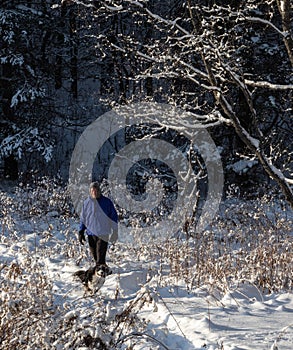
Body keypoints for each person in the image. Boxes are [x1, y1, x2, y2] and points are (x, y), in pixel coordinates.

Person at [78, 182, 118, 266]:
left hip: (103, 233)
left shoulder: (107, 202)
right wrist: (81, 231)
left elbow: (113, 217)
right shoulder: (86, 203)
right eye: (92, 191)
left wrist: (115, 231)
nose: (94, 193)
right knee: (95, 256)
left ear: (99, 191)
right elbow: (83, 218)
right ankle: (103, 270)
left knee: (100, 257)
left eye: (96, 191)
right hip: (91, 233)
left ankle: (102, 275)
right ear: (90, 191)